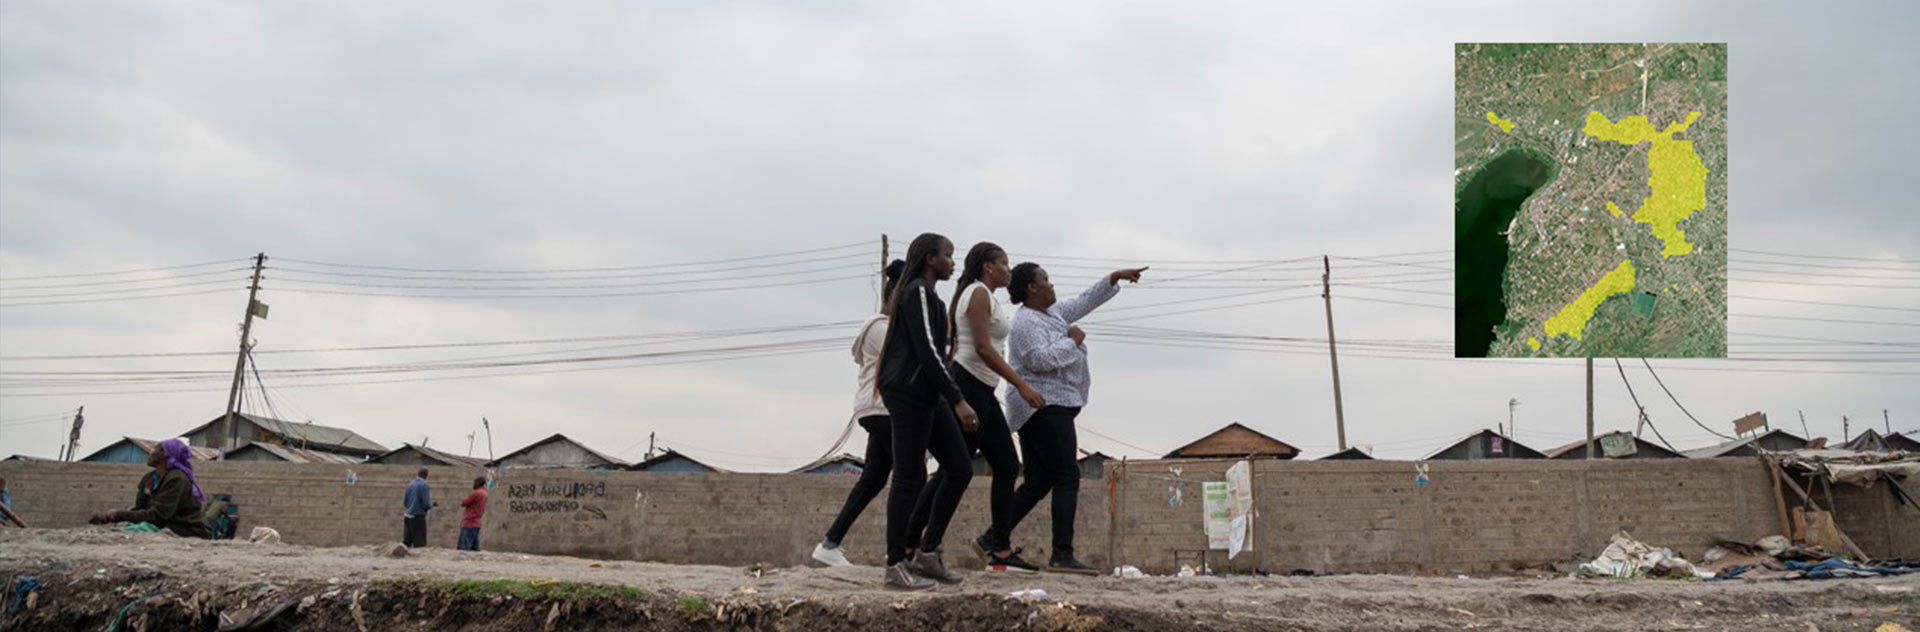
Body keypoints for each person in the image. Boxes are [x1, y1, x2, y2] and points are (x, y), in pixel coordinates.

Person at [900, 242, 1045, 572]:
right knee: (955, 470)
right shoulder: (977, 293)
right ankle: (916, 543)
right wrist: (1021, 385)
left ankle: (1000, 548)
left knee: (1007, 465)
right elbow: (982, 348)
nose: (1010, 269)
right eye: (1004, 263)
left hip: (983, 389)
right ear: (988, 267)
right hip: (967, 384)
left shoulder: (985, 296)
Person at [1001, 262, 1146, 574]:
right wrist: (1073, 341)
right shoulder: (1025, 323)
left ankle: (992, 539)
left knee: (1038, 482)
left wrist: (1113, 278)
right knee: (1067, 477)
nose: (1052, 285)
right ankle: (1061, 554)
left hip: (1051, 406)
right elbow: (1039, 360)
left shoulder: (1051, 313)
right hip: (1043, 407)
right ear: (1032, 288)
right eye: (1046, 280)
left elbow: (1083, 301)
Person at [876, 232, 978, 590]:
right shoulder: (918, 291)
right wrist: (957, 398)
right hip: (908, 392)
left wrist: (946, 394)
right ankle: (894, 564)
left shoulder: (933, 298)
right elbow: (927, 352)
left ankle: (927, 553)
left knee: (960, 467)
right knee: (908, 476)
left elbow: (938, 354)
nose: (953, 261)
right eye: (948, 255)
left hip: (928, 393)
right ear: (931, 259)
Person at [812, 259, 907, 567]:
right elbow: (907, 362)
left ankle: (830, 544)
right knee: (912, 473)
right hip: (882, 408)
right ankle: (905, 550)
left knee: (873, 479)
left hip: (876, 408)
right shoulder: (881, 328)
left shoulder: (886, 327)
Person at [87, 438, 212, 538]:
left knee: (130, 534)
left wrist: (116, 514)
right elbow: (140, 509)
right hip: (162, 523)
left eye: (156, 450)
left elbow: (159, 515)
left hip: (186, 527)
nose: (151, 452)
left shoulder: (176, 479)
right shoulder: (149, 478)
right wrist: (114, 517)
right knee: (123, 530)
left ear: (165, 455)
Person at [402, 468, 435, 548]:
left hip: (407, 515)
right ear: (426, 475)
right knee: (419, 543)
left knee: (406, 542)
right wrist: (432, 504)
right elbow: (425, 504)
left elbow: (405, 502)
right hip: (417, 517)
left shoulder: (410, 484)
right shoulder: (424, 485)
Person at [457, 476, 488, 551]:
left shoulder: (476, 493)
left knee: (464, 548)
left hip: (470, 522)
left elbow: (464, 503)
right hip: (477, 523)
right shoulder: (484, 493)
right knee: (474, 549)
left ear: (478, 483)